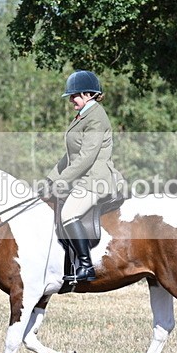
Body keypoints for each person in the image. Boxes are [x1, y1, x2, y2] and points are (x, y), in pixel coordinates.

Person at [40, 70, 124, 283]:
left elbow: (87, 157)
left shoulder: (96, 118)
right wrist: (50, 179)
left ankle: (86, 266)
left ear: (88, 94)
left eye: (74, 95)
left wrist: (61, 181)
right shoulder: (83, 115)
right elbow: (70, 155)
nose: (71, 99)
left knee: (68, 214)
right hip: (82, 178)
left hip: (95, 180)